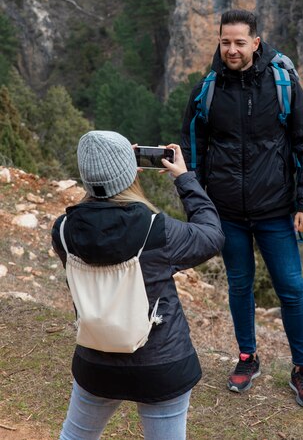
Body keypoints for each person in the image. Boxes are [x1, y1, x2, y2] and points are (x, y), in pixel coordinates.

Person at [181, 9, 303, 408]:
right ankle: (247, 357)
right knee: (239, 286)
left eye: (240, 42)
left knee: (292, 291)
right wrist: (197, 206)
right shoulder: (205, 91)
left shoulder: (283, 84)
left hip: (277, 211)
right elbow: (192, 152)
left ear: (256, 43)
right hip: (226, 212)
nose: (232, 49)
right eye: (225, 42)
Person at [51, 130, 224, 440]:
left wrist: (113, 175)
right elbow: (211, 235)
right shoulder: (157, 230)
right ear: (129, 171)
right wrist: (184, 178)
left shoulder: (63, 232)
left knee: (75, 436)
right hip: (161, 364)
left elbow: (96, 218)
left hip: (97, 361)